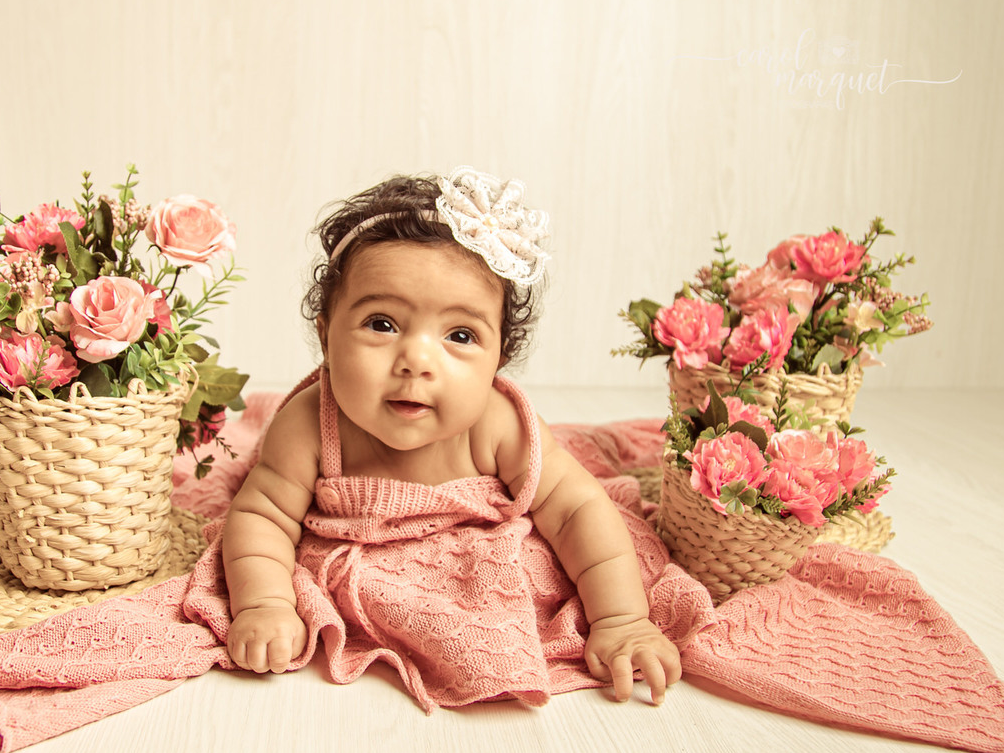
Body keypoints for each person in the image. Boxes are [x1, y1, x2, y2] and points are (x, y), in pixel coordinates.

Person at [222, 167, 681, 706]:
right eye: (381, 324)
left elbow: (578, 509)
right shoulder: (306, 424)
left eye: (460, 336)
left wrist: (621, 619)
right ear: (326, 334)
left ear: (497, 361)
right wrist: (265, 604)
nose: (416, 360)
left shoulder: (497, 423)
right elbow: (261, 517)